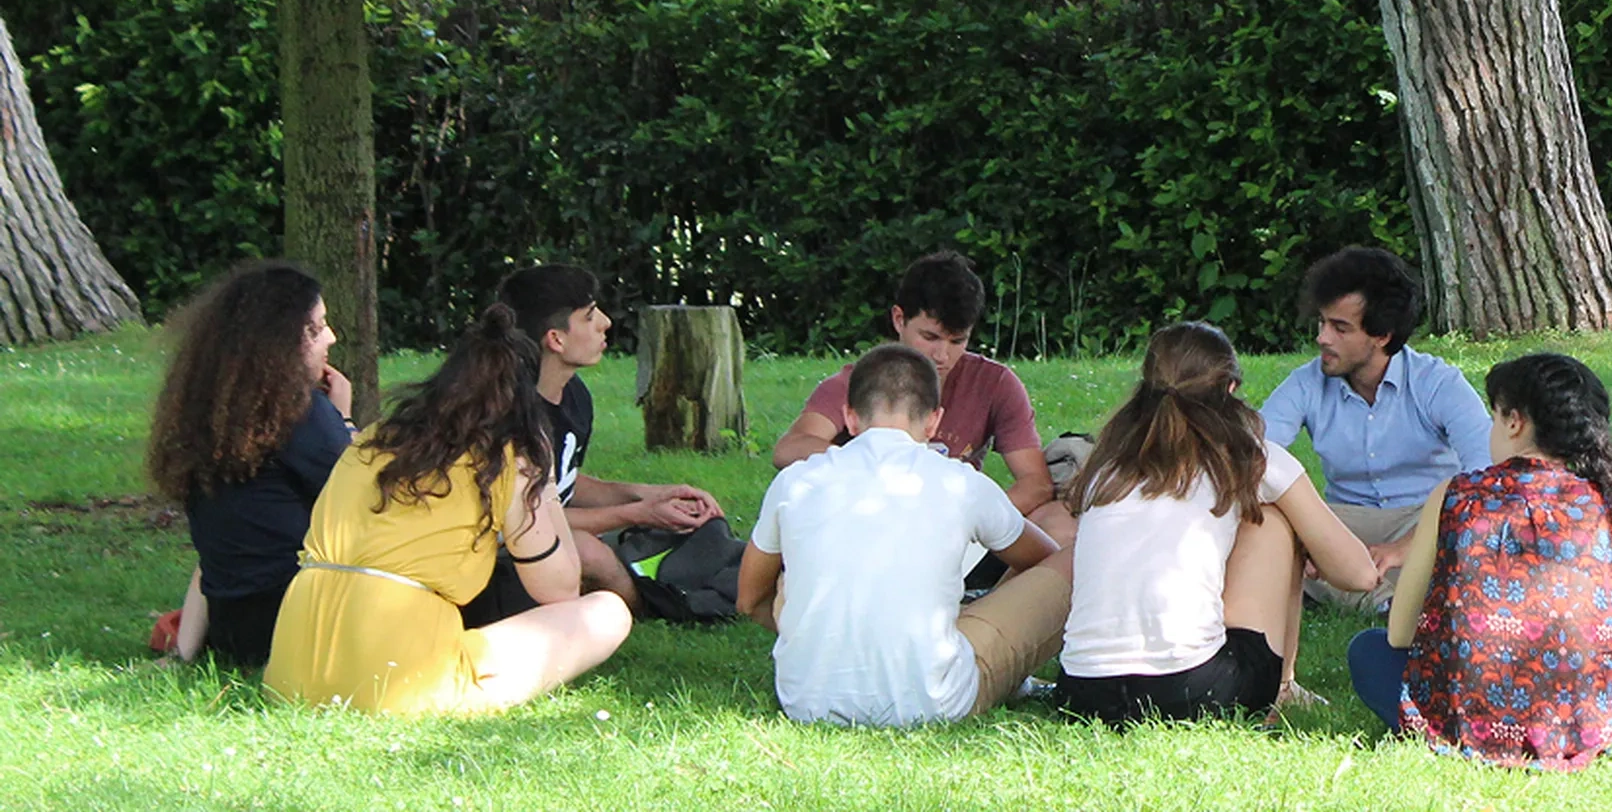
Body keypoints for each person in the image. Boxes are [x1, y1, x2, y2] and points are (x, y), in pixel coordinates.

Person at [264, 306, 631, 714]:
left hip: (290, 672)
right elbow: (558, 589)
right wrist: (541, 478)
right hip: (400, 686)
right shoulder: (505, 457)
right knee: (607, 612)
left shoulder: (373, 439)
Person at [1344, 352, 1612, 771]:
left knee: (1367, 650)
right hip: (1581, 727)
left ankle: (1456, 739)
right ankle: (1605, 737)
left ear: (1515, 422)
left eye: (1494, 417)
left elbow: (1399, 634)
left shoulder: (1453, 494)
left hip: (1460, 724)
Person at [1057, 323, 1379, 725]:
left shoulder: (1109, 464)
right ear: (1229, 389)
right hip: (1191, 692)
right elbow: (1360, 575)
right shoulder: (1252, 456)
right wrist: (1306, 545)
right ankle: (1284, 690)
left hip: (1082, 693)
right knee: (1275, 518)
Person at [737, 344, 1076, 726]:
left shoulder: (795, 481)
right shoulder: (961, 482)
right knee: (1076, 560)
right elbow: (1042, 560)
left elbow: (749, 599)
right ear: (933, 422)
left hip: (804, 703)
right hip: (934, 703)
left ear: (849, 418)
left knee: (791, 581)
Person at [770, 252, 1074, 566]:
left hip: (962, 534)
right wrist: (880, 459)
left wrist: (976, 519)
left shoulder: (995, 383)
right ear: (899, 319)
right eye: (930, 337)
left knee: (1062, 526)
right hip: (871, 533)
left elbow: (1036, 483)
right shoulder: (857, 382)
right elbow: (790, 448)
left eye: (958, 341)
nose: (942, 355)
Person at [465, 265, 723, 619]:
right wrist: (634, 513)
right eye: (589, 317)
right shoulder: (504, 415)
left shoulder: (573, 396)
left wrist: (651, 494)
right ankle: (652, 611)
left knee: (645, 531)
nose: (605, 322)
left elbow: (562, 482)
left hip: (536, 543)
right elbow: (525, 519)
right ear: (556, 339)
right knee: (588, 551)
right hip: (486, 563)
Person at [144, 260, 352, 667]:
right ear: (288, 340)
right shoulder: (303, 413)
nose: (331, 337)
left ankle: (184, 655)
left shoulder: (206, 420)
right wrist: (341, 418)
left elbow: (212, 557)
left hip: (233, 631)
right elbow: (358, 501)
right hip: (300, 622)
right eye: (319, 327)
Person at [1259, 248, 1491, 610]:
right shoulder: (1306, 383)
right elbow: (1254, 452)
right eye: (1322, 323)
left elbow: (1486, 474)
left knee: (1477, 524)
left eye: (1339, 328)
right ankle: (1390, 602)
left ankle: (1353, 590)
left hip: (1423, 521)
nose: (1322, 338)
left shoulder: (1437, 383)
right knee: (1272, 525)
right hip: (1343, 525)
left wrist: (1406, 546)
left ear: (1382, 335)